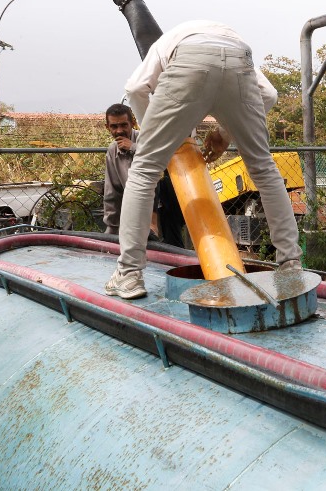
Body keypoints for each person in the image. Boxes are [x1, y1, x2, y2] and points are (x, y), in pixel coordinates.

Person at [105, 20, 303, 300]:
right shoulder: (216, 35)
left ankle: (129, 276)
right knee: (264, 169)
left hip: (189, 59)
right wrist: (225, 134)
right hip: (239, 56)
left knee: (144, 170)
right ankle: (291, 265)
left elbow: (136, 87)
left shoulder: (167, 46)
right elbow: (268, 95)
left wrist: (156, 139)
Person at [102, 103, 184, 247]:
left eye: (123, 125)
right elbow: (112, 193)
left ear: (132, 123)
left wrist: (133, 148)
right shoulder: (112, 151)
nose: (119, 131)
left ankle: (153, 226)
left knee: (172, 245)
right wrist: (111, 230)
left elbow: (162, 160)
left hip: (166, 203)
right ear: (107, 127)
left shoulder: (146, 138)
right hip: (138, 205)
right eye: (114, 127)